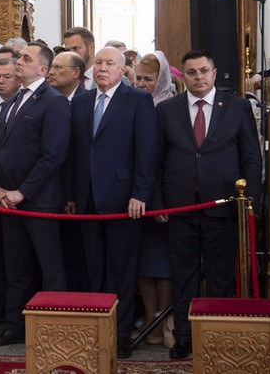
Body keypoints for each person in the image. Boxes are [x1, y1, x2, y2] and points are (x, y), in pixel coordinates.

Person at [154, 50, 261, 359]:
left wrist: (251, 203)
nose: (198, 77)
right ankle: (184, 337)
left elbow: (252, 159)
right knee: (183, 275)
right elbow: (158, 161)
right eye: (191, 72)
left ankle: (217, 335)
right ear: (183, 77)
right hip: (180, 208)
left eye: (204, 71)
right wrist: (159, 203)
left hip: (225, 207)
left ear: (214, 73)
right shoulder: (167, 110)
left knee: (220, 275)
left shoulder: (238, 108)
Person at [67, 46, 158, 359]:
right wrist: (71, 195)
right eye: (99, 63)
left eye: (110, 64)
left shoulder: (138, 100)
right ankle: (95, 331)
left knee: (121, 269)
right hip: (87, 199)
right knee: (92, 268)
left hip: (124, 200)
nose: (102, 68)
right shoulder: (79, 102)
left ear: (123, 69)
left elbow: (147, 153)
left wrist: (141, 193)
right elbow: (76, 154)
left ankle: (119, 336)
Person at [0, 43, 71, 347]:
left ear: (43, 70)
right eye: (19, 57)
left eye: (25, 59)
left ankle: (53, 329)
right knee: (16, 267)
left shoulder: (54, 102)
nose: (18, 62)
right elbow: (0, 152)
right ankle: (15, 327)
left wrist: (23, 192)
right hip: (8, 199)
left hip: (39, 200)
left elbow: (53, 156)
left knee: (50, 267)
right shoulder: (10, 102)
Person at [133, 51, 176, 346]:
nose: (142, 84)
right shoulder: (134, 104)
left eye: (148, 79)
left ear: (161, 79)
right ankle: (149, 318)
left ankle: (166, 319)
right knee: (143, 263)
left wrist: (158, 199)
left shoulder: (171, 106)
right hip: (137, 197)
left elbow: (163, 159)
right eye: (138, 78)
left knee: (164, 264)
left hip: (165, 198)